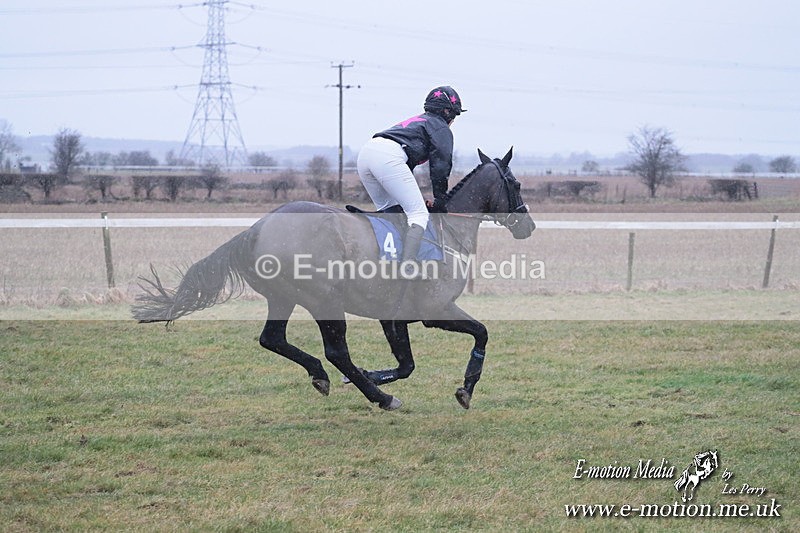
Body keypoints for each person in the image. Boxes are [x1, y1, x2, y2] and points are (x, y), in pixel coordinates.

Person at [356, 86, 465, 277]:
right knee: (419, 215)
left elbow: (404, 167)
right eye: (454, 115)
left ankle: (386, 261)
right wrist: (440, 199)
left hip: (367, 154)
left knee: (392, 213)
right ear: (446, 111)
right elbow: (441, 166)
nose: (454, 121)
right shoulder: (440, 127)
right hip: (387, 158)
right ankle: (408, 266)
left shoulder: (420, 121)